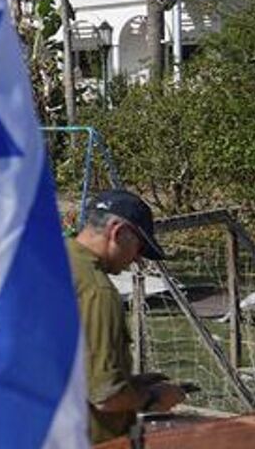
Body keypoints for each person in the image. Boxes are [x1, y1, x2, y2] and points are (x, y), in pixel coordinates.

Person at [68, 189, 185, 443]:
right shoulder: (97, 291)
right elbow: (107, 398)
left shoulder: (52, 262)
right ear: (117, 232)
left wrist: (132, 382)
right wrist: (153, 396)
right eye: (139, 246)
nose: (137, 260)